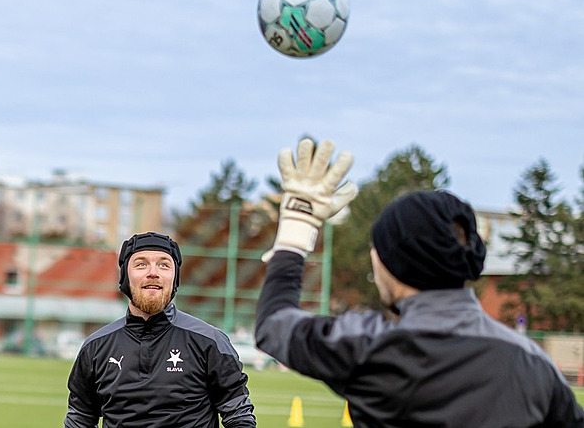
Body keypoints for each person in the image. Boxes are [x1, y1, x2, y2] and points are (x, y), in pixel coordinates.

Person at [255, 137, 584, 427]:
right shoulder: (533, 362)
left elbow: (274, 323)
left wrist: (296, 230)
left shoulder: (368, 347)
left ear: (390, 263)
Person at [64, 232, 256, 428]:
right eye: (141, 264)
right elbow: (79, 419)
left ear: (175, 278)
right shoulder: (95, 347)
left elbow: (239, 417)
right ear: (125, 276)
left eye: (164, 264)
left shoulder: (209, 341)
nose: (153, 272)